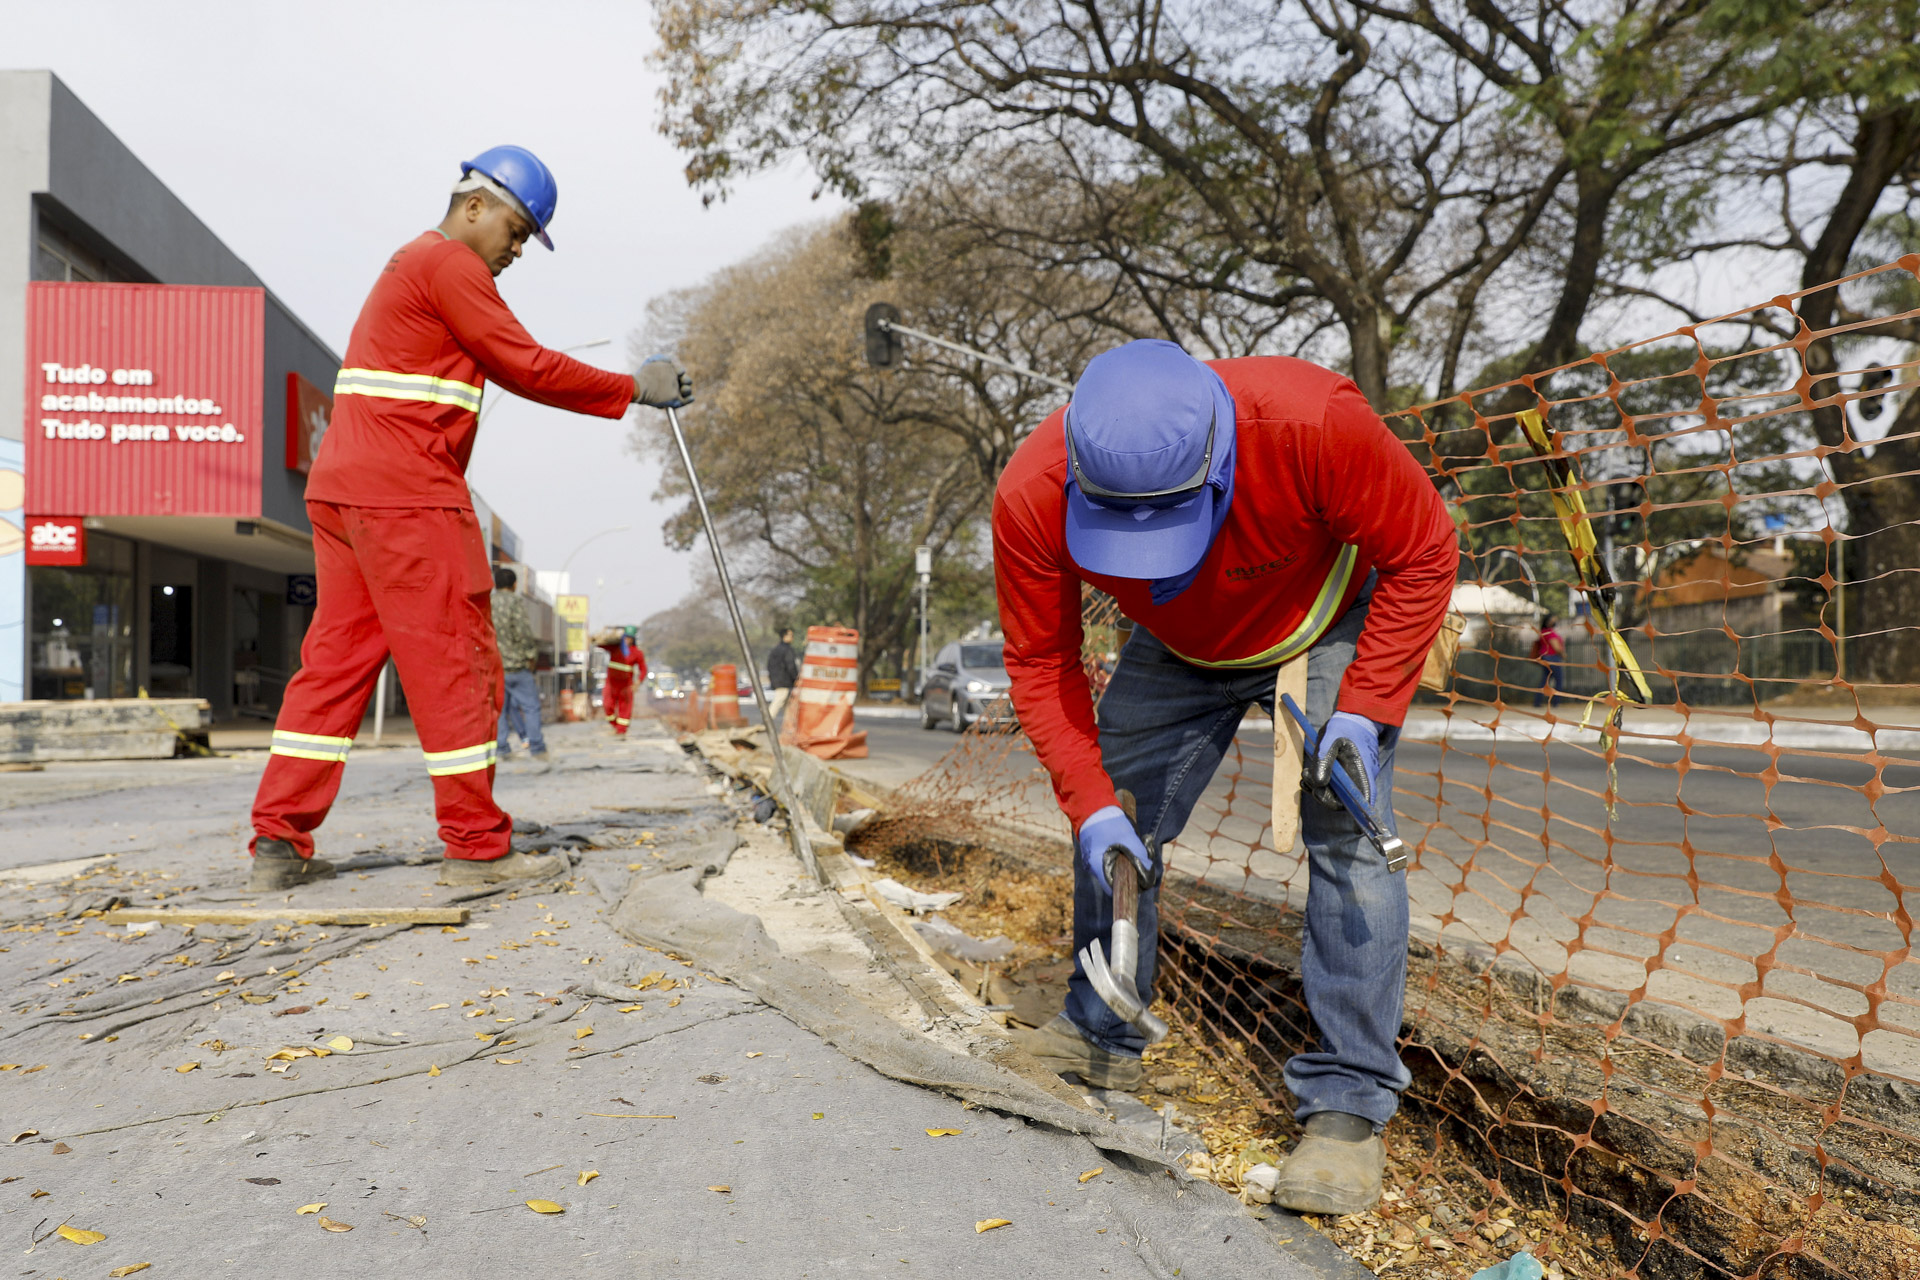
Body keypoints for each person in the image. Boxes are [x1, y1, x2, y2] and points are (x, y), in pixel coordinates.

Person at [993, 339, 1455, 1215]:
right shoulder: (1031, 490)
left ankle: (1348, 1106)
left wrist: (1364, 707)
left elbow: (1426, 550)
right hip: (1179, 641)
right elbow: (1041, 660)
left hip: (1324, 613)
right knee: (1116, 814)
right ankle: (1100, 1032)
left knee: (1348, 828)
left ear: (1218, 457)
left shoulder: (1312, 423)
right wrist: (1090, 806)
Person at [248, 146, 694, 892]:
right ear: (475, 204)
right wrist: (634, 388)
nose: (516, 252)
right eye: (517, 232)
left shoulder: (407, 263)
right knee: (456, 662)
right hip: (408, 492)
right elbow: (526, 365)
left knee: (333, 668)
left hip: (344, 490)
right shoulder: (452, 264)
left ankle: (276, 842)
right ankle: (477, 848)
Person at [491, 566, 548, 767]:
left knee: (499, 709)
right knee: (531, 707)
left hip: (496, 667)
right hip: (517, 667)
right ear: (514, 585)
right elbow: (523, 632)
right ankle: (537, 748)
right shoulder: (515, 602)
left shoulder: (488, 603)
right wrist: (531, 656)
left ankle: (502, 748)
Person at [597, 627, 647, 736]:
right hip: (611, 684)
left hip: (626, 685)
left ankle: (621, 730)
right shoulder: (615, 648)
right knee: (607, 705)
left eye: (629, 638)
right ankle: (615, 725)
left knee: (625, 709)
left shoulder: (637, 653)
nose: (627, 640)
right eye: (625, 637)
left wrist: (638, 682)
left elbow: (643, 669)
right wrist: (603, 634)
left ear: (633, 639)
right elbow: (600, 644)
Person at [765, 626, 800, 727]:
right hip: (784, 681)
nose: (792, 637)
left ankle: (789, 725)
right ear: (785, 636)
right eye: (791, 635)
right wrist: (796, 678)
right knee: (779, 700)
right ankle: (767, 722)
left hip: (777, 680)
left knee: (787, 704)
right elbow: (791, 666)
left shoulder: (775, 649)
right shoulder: (787, 650)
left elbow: (769, 666)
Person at [1532, 612, 1564, 707]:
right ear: (1548, 621)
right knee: (1559, 680)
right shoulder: (1549, 632)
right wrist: (1563, 654)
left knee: (1545, 680)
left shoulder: (1543, 631)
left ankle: (1537, 702)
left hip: (1545, 657)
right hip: (1552, 658)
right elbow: (1556, 647)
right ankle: (1556, 702)